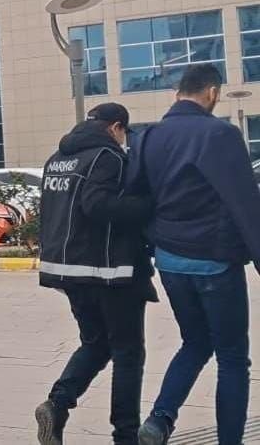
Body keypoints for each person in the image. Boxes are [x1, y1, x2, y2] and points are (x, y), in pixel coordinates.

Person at [136, 64, 260, 445]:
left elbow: (138, 197)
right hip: (214, 263)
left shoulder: (148, 137)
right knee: (232, 357)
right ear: (212, 92)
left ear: (177, 93)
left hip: (169, 262)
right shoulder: (220, 134)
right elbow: (244, 202)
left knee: (195, 341)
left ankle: (159, 419)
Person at [33, 103, 155, 445]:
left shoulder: (58, 158)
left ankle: (57, 405)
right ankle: (125, 435)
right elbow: (97, 204)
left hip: (67, 269)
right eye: (124, 133)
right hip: (107, 271)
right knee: (128, 353)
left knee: (97, 343)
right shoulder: (108, 156)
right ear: (116, 127)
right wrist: (148, 204)